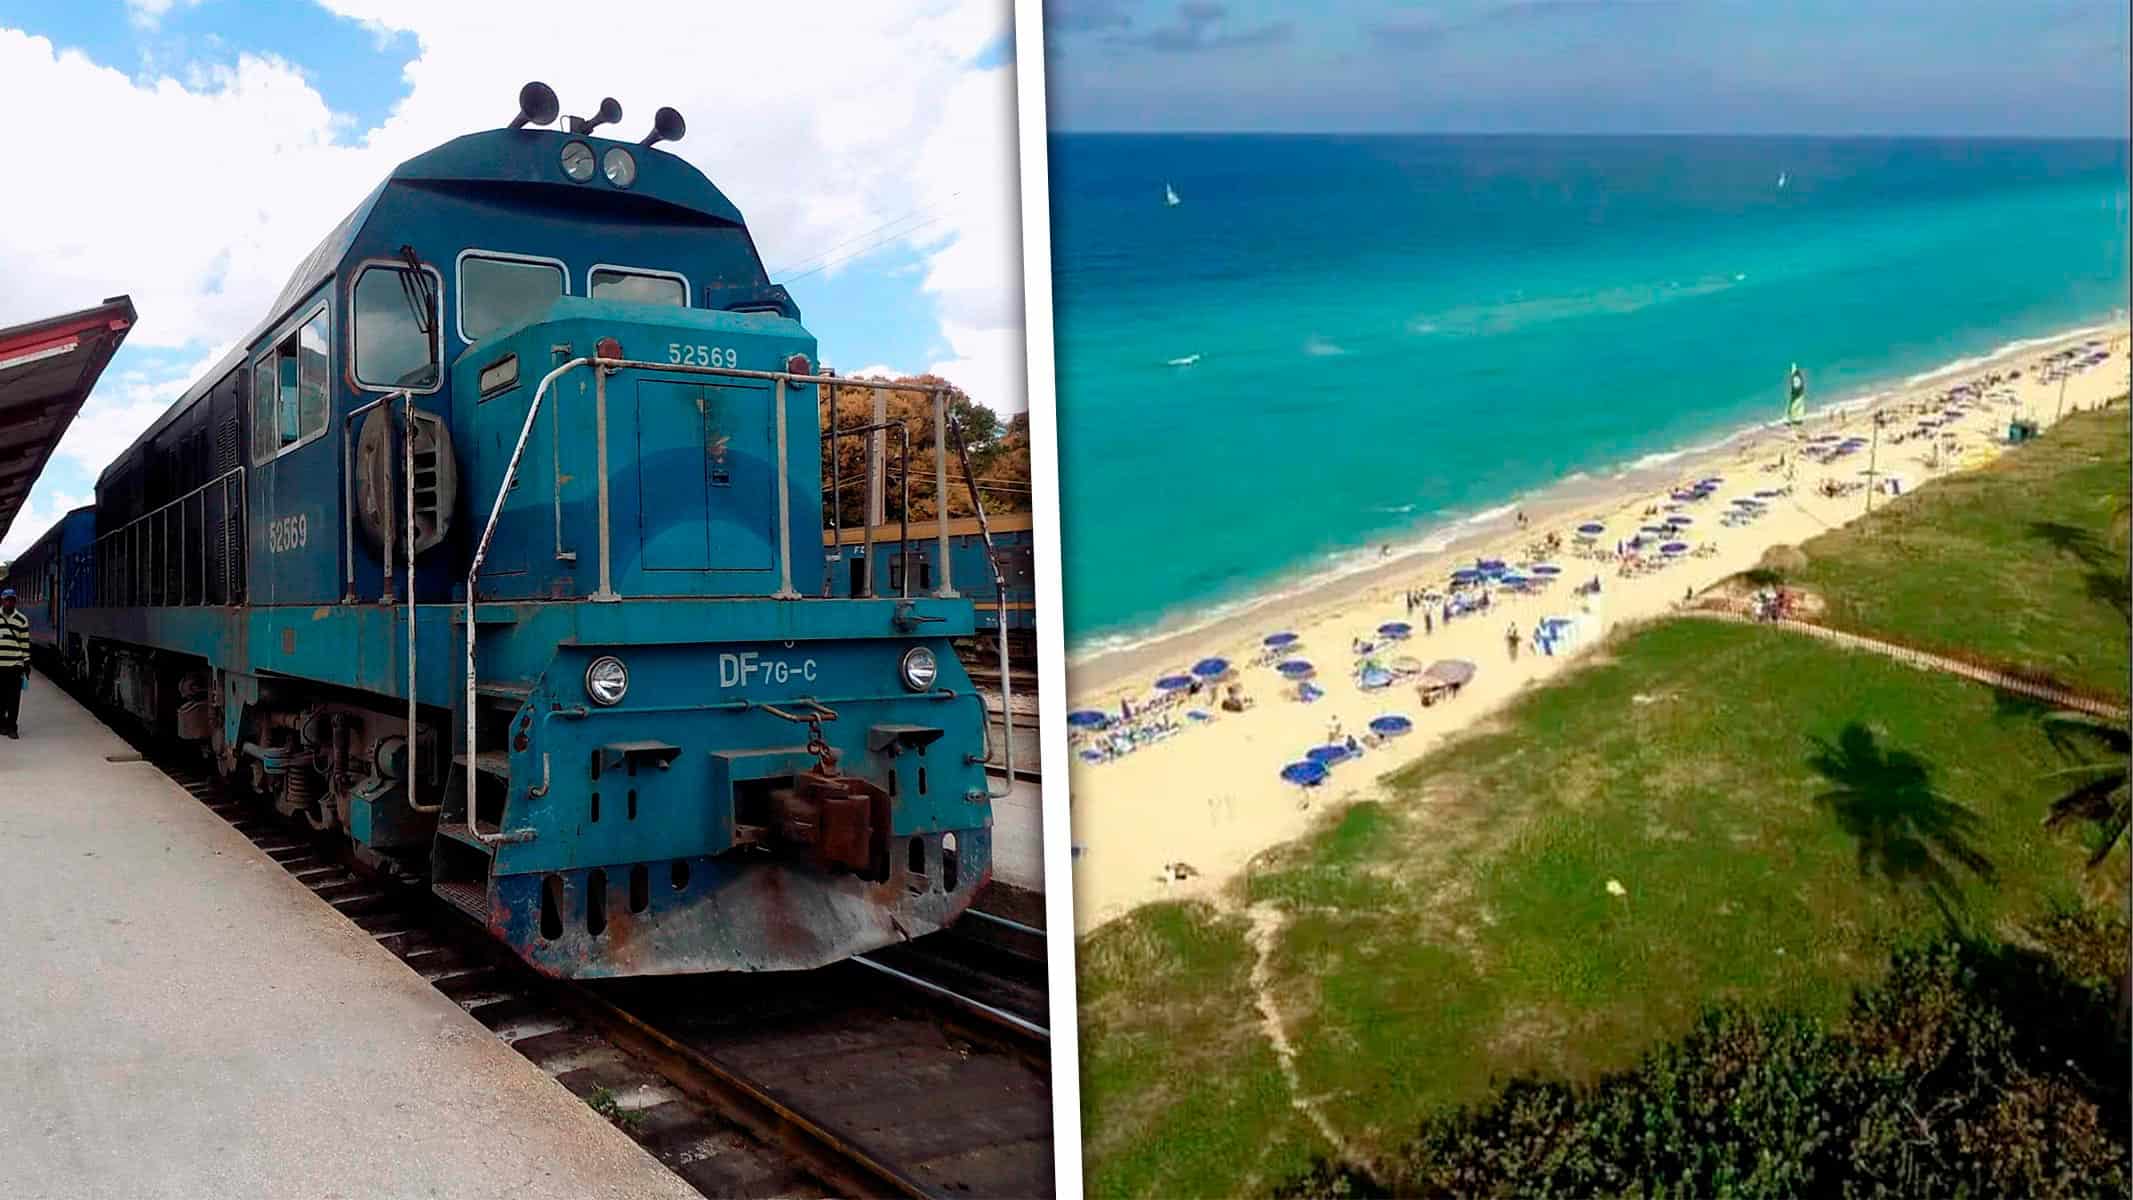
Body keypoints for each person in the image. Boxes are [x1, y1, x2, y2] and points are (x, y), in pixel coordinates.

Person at [0, 588, 28, 739]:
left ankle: (12, 727)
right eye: (6, 599)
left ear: (15, 601)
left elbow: (24, 643)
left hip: (15, 665)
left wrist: (26, 663)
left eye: (12, 600)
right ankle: (2, 724)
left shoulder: (22, 620)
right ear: (2, 600)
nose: (9, 602)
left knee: (13, 699)